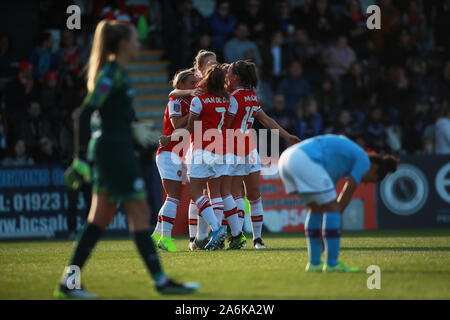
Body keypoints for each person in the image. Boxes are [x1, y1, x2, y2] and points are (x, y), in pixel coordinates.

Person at [55, 20, 199, 299]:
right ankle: (160, 280)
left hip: (114, 148)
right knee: (139, 214)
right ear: (123, 45)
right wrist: (79, 159)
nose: (139, 44)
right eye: (135, 39)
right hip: (115, 153)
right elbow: (84, 114)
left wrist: (133, 127)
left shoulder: (116, 72)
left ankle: (68, 283)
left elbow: (107, 114)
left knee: (99, 218)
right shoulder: (112, 74)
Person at [278, 134, 399, 272]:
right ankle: (332, 264)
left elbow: (331, 204)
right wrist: (329, 230)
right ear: (374, 168)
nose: (365, 183)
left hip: (286, 159)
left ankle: (315, 263)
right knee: (332, 209)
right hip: (304, 160)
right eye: (370, 180)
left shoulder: (340, 164)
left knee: (316, 209)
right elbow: (347, 192)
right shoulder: (364, 160)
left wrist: (328, 227)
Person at [225, 60, 300, 249]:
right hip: (250, 148)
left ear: (235, 77)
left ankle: (237, 236)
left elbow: (226, 126)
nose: (226, 75)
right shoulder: (251, 96)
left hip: (233, 148)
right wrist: (287, 135)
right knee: (254, 195)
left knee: (235, 194)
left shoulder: (233, 98)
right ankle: (257, 239)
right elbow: (266, 120)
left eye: (228, 73)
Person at [160, 63, 233, 251]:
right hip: (222, 149)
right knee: (215, 193)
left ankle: (216, 230)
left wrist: (170, 138)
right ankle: (213, 233)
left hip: (203, 149)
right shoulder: (227, 99)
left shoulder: (199, 101)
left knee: (195, 193)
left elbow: (189, 128)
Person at [151, 69, 197, 252]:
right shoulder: (175, 102)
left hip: (178, 153)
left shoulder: (189, 101)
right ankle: (166, 239)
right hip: (169, 153)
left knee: (174, 197)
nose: (195, 86)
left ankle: (156, 234)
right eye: (192, 83)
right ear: (181, 86)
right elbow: (177, 125)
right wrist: (194, 113)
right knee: (174, 197)